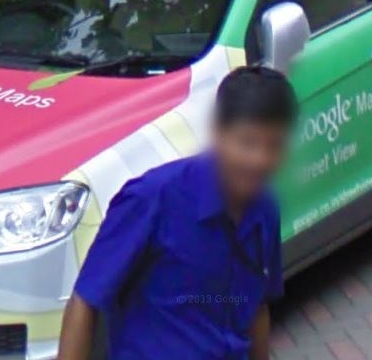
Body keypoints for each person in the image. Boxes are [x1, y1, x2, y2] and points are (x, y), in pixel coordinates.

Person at [56, 65, 297, 360]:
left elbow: (258, 307)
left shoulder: (266, 208)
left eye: (274, 146)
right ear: (218, 133)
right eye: (247, 143)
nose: (260, 160)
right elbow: (85, 301)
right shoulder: (151, 199)